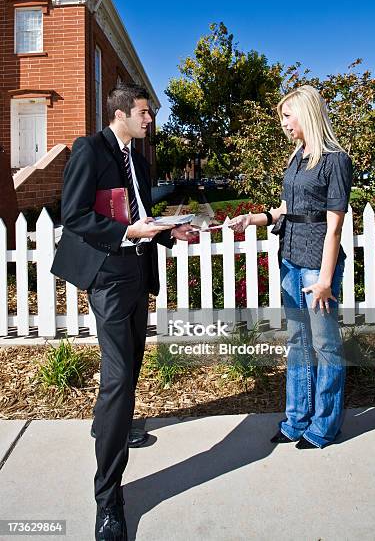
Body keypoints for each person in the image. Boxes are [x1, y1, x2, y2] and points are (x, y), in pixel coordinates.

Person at [51, 83, 193, 540]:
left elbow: (143, 213)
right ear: (121, 113)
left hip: (138, 274)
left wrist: (171, 234)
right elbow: (73, 216)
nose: (150, 119)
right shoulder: (90, 150)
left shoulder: (140, 158)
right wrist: (127, 232)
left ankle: (111, 424)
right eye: (144, 112)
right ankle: (108, 502)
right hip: (108, 278)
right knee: (116, 376)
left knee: (132, 362)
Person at [228, 85, 352, 450]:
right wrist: (252, 218)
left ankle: (325, 425)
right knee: (298, 342)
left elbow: (334, 227)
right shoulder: (297, 156)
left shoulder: (336, 160)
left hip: (317, 265)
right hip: (291, 259)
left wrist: (326, 280)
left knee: (325, 344)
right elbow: (284, 210)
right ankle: (296, 420)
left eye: (287, 115)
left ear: (306, 113)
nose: (283, 122)